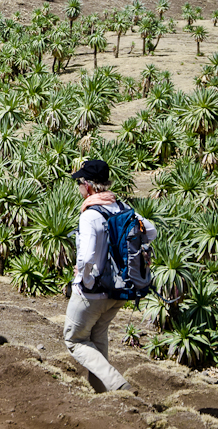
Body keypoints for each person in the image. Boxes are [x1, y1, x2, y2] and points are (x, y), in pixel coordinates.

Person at [65, 159, 156, 392]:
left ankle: (118, 386)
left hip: (93, 293)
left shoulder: (90, 215)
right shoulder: (124, 208)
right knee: (97, 337)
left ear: (89, 185)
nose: (78, 188)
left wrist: (82, 282)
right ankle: (103, 395)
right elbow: (152, 231)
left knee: (74, 340)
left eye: (80, 183)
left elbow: (84, 258)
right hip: (121, 290)